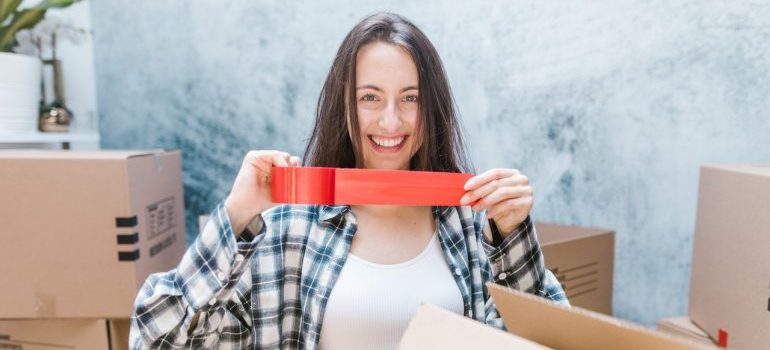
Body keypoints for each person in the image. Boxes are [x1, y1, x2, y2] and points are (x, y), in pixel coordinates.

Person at [130, 12, 567, 350]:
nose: (391, 120)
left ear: (432, 109)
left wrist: (513, 236)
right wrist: (236, 215)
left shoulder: (472, 223)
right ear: (345, 106)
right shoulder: (288, 227)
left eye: (410, 98)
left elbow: (542, 339)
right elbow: (159, 341)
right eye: (370, 98)